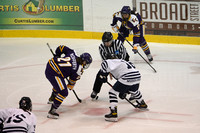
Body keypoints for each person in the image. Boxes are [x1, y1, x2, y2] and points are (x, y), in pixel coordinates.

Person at [45, 45, 92, 119]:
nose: (86, 65)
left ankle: (52, 98)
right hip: (53, 72)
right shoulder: (79, 69)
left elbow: (61, 47)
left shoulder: (73, 52)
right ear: (84, 61)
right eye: (86, 63)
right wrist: (71, 85)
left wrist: (57, 55)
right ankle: (52, 111)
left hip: (51, 63)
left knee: (60, 83)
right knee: (64, 92)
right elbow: (71, 83)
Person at [90, 32, 129, 99]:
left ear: (112, 40)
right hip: (110, 63)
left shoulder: (118, 43)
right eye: (105, 42)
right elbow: (104, 61)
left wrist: (116, 70)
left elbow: (123, 57)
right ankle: (95, 91)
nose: (107, 44)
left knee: (124, 76)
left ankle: (128, 91)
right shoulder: (101, 47)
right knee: (100, 75)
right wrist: (109, 70)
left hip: (122, 61)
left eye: (108, 42)